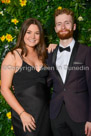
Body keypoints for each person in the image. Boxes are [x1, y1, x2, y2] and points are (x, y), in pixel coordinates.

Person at [1, 18, 52, 136]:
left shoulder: (43, 55)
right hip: (26, 116)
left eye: (37, 33)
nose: (32, 36)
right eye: (29, 32)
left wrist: (55, 46)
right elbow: (4, 88)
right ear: (23, 33)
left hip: (45, 114)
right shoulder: (13, 56)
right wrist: (22, 113)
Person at [47, 8, 91, 136]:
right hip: (56, 114)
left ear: (74, 26)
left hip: (81, 115)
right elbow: (45, 81)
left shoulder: (86, 52)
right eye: (59, 24)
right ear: (55, 28)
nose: (63, 27)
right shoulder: (50, 54)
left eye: (67, 23)